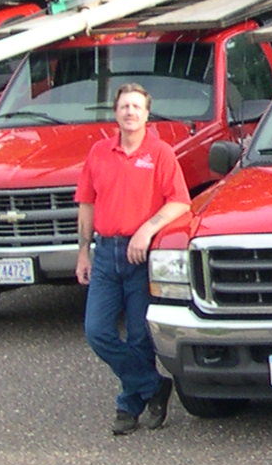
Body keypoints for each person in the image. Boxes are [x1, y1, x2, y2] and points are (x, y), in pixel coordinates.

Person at [74, 82, 189, 436]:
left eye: (136, 107)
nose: (130, 112)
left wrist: (146, 230)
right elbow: (86, 205)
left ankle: (128, 406)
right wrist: (83, 251)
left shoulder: (161, 153)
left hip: (141, 255)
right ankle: (153, 386)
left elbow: (180, 202)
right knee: (97, 332)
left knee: (140, 335)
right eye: (124, 106)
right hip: (106, 254)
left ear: (147, 113)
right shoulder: (98, 152)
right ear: (115, 112)